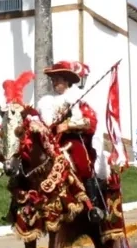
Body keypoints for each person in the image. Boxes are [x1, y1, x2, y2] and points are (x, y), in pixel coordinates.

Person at [35, 60, 109, 220]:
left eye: (58, 79)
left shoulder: (77, 99)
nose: (55, 83)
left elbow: (91, 121)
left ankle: (93, 204)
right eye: (53, 80)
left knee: (81, 161)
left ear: (66, 81)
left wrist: (68, 125)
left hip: (73, 139)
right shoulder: (46, 102)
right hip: (52, 141)